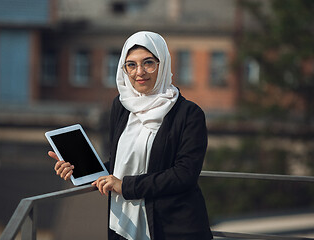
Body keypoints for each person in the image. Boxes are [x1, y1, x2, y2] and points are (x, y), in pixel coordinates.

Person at [49, 31, 213, 240]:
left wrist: (125, 186)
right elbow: (120, 163)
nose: (139, 72)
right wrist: (79, 169)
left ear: (162, 64)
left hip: (174, 228)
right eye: (131, 65)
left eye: (148, 63)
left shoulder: (189, 114)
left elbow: (184, 175)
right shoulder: (122, 106)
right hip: (125, 224)